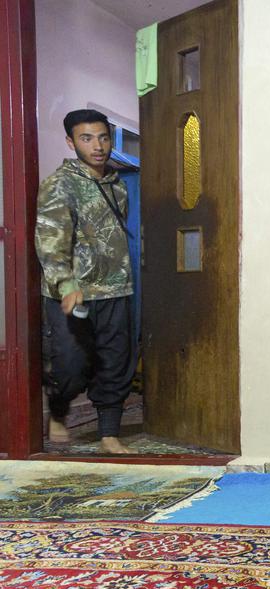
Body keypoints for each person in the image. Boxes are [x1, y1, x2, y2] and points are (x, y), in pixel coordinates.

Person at [35, 109, 135, 454]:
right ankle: (58, 412)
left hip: (116, 288)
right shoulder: (59, 184)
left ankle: (109, 434)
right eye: (87, 138)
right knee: (70, 365)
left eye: (103, 137)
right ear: (71, 142)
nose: (98, 146)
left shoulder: (117, 185)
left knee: (115, 362)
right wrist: (66, 285)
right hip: (73, 293)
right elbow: (50, 239)